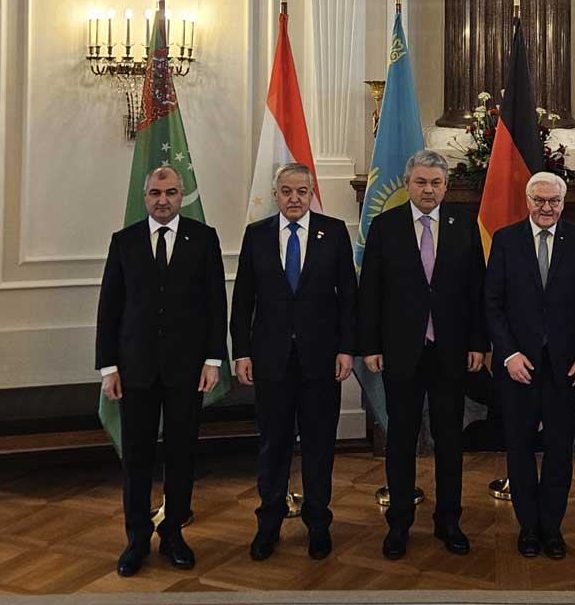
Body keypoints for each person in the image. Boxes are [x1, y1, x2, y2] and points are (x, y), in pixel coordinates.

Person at [95, 166, 228, 577]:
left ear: (181, 195)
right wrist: (108, 367)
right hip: (134, 370)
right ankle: (136, 539)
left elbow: (215, 302)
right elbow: (109, 308)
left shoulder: (203, 238)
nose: (163, 200)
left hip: (187, 370)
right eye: (155, 192)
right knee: (136, 457)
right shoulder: (125, 241)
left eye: (170, 192)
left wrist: (213, 360)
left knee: (181, 454)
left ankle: (173, 534)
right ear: (145, 196)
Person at [358, 150, 487, 559]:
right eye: (421, 182)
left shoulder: (464, 224)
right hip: (401, 352)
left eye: (435, 183)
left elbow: (477, 289)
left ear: (446, 187)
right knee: (401, 441)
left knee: (450, 441)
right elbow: (370, 292)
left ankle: (449, 521)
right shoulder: (385, 227)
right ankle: (399, 523)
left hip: (451, 352)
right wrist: (370, 345)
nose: (428, 189)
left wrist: (478, 343)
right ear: (407, 183)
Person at [231, 162, 357, 561]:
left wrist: (347, 348)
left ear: (311, 193)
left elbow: (348, 298)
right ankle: (268, 525)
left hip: (322, 361)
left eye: (302, 191)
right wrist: (242, 351)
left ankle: (318, 525)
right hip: (271, 361)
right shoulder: (257, 235)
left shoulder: (333, 232)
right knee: (273, 447)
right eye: (286, 191)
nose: (294, 198)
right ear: (276, 194)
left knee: (319, 447)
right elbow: (243, 300)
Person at [484, 171, 575, 559]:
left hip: (565, 369)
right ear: (527, 201)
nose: (546, 208)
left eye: (553, 201)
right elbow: (492, 304)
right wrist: (508, 354)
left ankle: (552, 527)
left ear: (563, 203)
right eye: (539, 200)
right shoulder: (505, 240)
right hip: (518, 366)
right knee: (518, 449)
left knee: (559, 450)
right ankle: (528, 528)